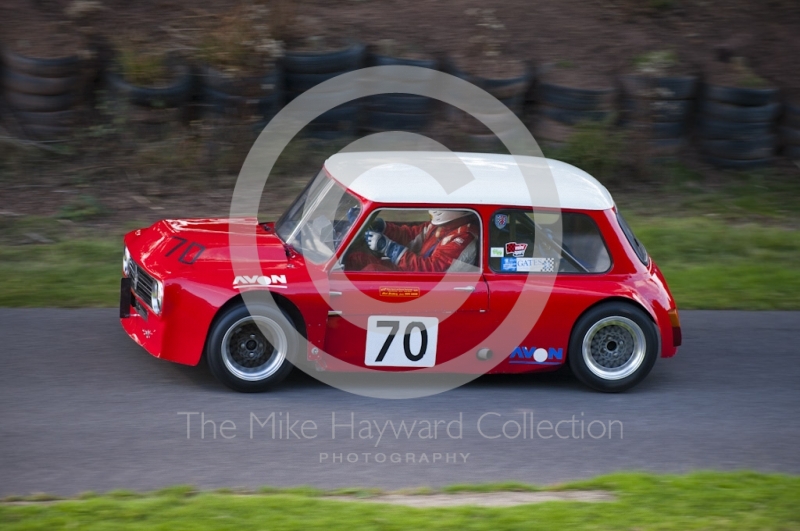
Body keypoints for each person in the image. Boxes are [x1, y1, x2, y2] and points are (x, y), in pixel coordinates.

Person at [345, 210, 479, 272]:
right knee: (355, 259)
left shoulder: (464, 238)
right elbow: (411, 235)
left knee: (372, 271)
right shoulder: (442, 226)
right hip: (413, 271)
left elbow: (432, 271)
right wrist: (382, 227)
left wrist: (389, 248)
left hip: (427, 288)